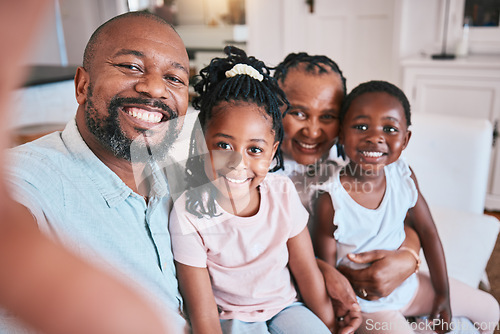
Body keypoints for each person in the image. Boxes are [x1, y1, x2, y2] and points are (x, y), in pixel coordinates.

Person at [4, 11, 191, 333]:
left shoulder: (182, 171)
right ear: (82, 85)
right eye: (131, 66)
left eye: (174, 79)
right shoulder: (26, 176)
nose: (155, 89)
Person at [169, 46, 334, 334]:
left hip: (287, 307)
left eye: (254, 149)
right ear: (200, 142)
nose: (237, 163)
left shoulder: (282, 193)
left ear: (271, 153)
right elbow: (203, 314)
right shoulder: (188, 212)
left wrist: (329, 325)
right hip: (230, 318)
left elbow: (307, 273)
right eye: (223, 146)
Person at [314, 80, 500, 334]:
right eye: (361, 126)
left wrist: (442, 294)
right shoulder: (331, 200)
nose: (375, 137)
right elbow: (328, 273)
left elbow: (428, 232)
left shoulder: (403, 176)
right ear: (342, 134)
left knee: (490, 310)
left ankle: (420, 322)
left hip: (409, 287)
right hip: (369, 306)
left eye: (389, 128)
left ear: (405, 139)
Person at [274, 52, 421, 314]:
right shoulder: (261, 172)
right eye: (298, 113)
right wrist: (324, 269)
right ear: (274, 107)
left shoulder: (351, 160)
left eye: (328, 117)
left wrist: (409, 256)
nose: (313, 131)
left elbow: (403, 216)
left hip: (391, 287)